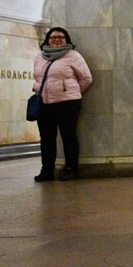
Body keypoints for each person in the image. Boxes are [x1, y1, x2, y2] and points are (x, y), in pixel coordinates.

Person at [31, 27, 92, 181]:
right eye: (53, 37)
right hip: (45, 103)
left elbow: (86, 79)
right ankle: (47, 171)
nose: (57, 40)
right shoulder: (40, 57)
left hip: (68, 103)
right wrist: (38, 88)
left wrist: (71, 92)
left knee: (68, 136)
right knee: (46, 138)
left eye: (61, 37)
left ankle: (71, 169)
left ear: (66, 40)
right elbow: (39, 78)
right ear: (47, 39)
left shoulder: (73, 56)